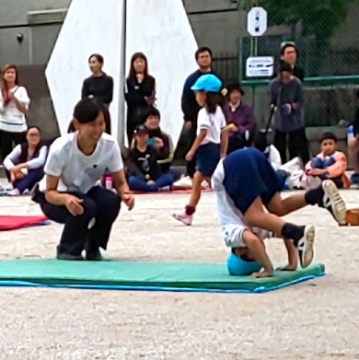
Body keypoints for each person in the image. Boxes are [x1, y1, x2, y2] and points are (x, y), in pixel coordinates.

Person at [211, 147, 347, 278]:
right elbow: (283, 233)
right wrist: (292, 262)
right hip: (254, 156)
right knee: (277, 208)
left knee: (253, 217)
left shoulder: (231, 234)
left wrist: (268, 269)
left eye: (256, 256)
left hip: (232, 166)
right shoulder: (258, 230)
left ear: (240, 251)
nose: (262, 249)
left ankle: (297, 233)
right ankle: (318, 195)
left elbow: (253, 241)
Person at [32, 98, 134, 261]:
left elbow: (120, 182)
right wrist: (66, 199)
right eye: (92, 125)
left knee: (111, 201)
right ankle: (68, 249)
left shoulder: (109, 144)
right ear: (77, 124)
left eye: (101, 124)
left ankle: (93, 245)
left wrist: (126, 195)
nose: (98, 130)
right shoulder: (61, 148)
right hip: (54, 198)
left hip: (86, 192)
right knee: (85, 206)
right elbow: (50, 192)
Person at [172, 74, 228, 225]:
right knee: (200, 180)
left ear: (205, 94)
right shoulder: (218, 111)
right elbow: (224, 133)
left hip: (206, 149)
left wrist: (191, 150)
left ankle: (233, 207)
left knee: (214, 183)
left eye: (197, 93)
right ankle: (189, 211)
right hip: (213, 149)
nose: (196, 96)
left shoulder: (203, 113)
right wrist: (223, 151)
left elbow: (203, 132)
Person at [181, 47, 223, 180]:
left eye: (207, 56)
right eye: (201, 57)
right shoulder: (192, 78)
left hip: (210, 144)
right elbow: (185, 99)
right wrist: (188, 117)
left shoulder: (217, 78)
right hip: (194, 118)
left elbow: (218, 131)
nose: (204, 59)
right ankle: (190, 172)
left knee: (204, 175)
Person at [269, 61, 309, 165]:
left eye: (287, 77)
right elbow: (271, 100)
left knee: (295, 146)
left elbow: (301, 101)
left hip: (294, 119)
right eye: (283, 77)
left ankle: (294, 165)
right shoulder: (274, 84)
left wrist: (292, 106)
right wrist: (274, 107)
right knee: (279, 146)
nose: (285, 80)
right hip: (280, 119)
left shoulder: (297, 83)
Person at [127, 124, 175, 192]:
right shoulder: (132, 153)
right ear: (136, 137)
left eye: (145, 135)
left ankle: (151, 187)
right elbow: (135, 169)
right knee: (132, 180)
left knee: (169, 177)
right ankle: (151, 187)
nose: (143, 138)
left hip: (154, 178)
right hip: (140, 178)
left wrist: (161, 147)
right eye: (140, 135)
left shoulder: (152, 149)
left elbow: (164, 156)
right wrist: (146, 180)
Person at [3, 126, 47, 196]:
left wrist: (22, 166)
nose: (34, 137)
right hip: (20, 174)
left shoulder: (43, 147)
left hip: (35, 174)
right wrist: (13, 169)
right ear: (26, 137)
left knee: (36, 170)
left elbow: (40, 161)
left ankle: (19, 189)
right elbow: (7, 159)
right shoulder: (21, 147)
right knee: (9, 165)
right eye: (31, 135)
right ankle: (17, 186)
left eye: (36, 135)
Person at [0, 64, 30, 163]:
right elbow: (1, 109)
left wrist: (14, 98)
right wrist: (6, 101)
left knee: (22, 153)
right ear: (4, 75)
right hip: (4, 126)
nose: (10, 75)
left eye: (12, 72)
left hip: (19, 127)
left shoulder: (21, 90)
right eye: (8, 72)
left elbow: (24, 109)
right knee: (5, 153)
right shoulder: (1, 91)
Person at [124, 52, 156, 145]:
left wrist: (141, 84)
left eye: (141, 62)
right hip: (132, 113)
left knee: (148, 139)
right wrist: (141, 95)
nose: (139, 64)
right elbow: (129, 98)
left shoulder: (151, 80)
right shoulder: (128, 81)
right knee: (132, 137)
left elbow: (150, 95)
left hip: (146, 113)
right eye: (136, 62)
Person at [223, 82, 257, 154]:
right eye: (233, 93)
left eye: (237, 93)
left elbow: (252, 125)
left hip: (242, 140)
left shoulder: (247, 109)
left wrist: (238, 129)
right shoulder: (224, 109)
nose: (236, 95)